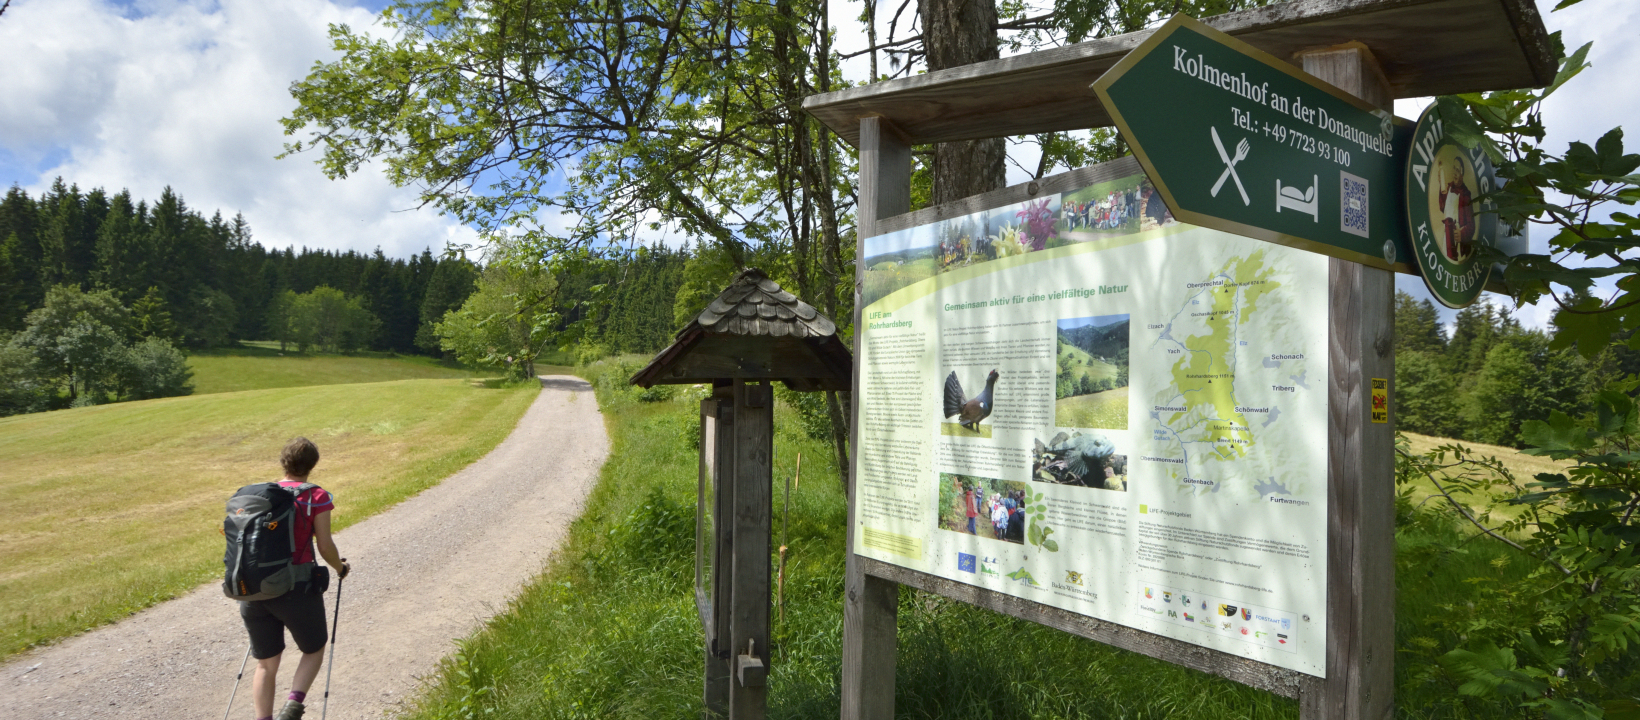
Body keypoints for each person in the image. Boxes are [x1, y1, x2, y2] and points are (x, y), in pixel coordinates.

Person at [241, 437, 351, 720]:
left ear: (283, 462)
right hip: (296, 587)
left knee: (265, 665)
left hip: (254, 587)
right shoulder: (316, 496)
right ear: (312, 465)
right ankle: (292, 706)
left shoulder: (263, 495)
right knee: (314, 648)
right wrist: (340, 569)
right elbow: (325, 546)